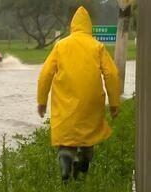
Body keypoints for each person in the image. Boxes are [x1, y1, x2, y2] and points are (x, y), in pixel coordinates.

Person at [36, 6, 121, 183]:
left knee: (67, 137)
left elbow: (45, 74)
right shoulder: (97, 47)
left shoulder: (61, 46)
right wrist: (114, 104)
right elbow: (111, 75)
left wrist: (42, 101)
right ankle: (83, 165)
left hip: (65, 102)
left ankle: (66, 156)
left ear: (72, 26)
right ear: (89, 26)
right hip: (91, 103)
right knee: (88, 136)